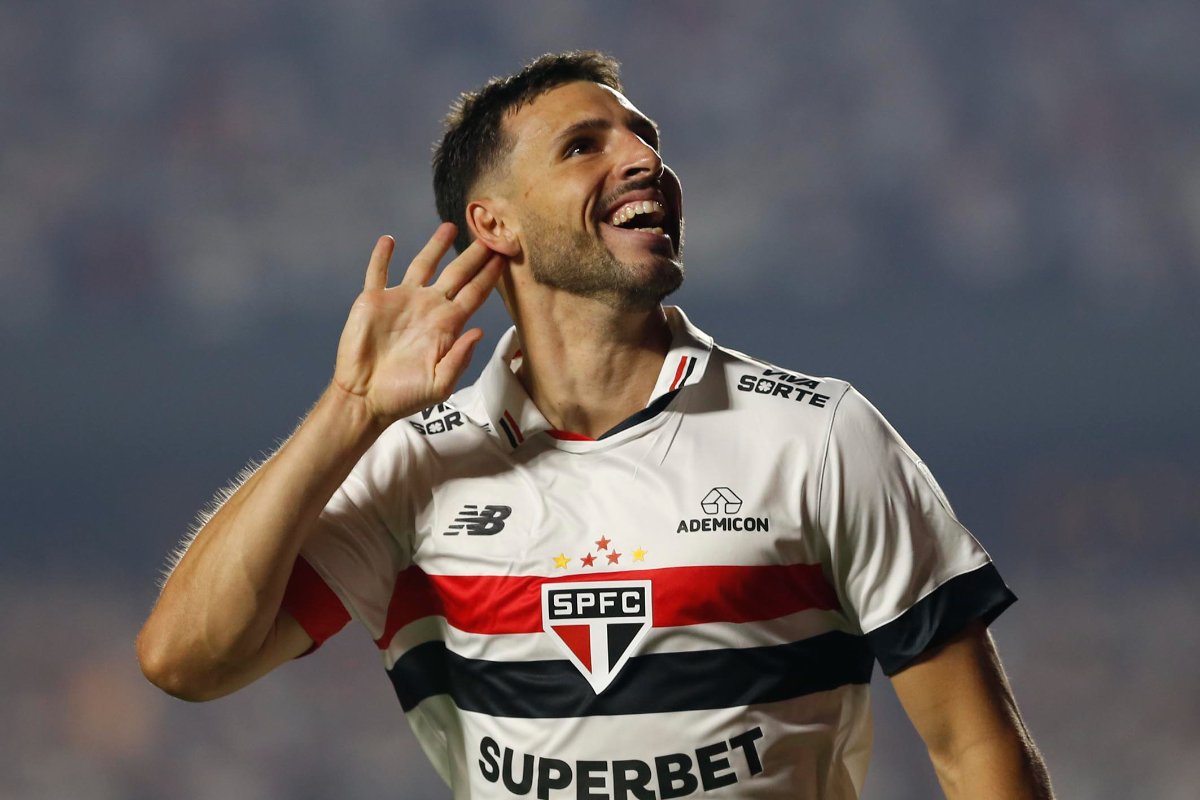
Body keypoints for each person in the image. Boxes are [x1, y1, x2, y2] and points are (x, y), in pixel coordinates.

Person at [137, 51, 1054, 799]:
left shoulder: (818, 437)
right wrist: (350, 414)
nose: (643, 159)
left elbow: (978, 755)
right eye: (584, 145)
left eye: (644, 137)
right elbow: (186, 659)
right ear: (496, 224)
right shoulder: (416, 468)